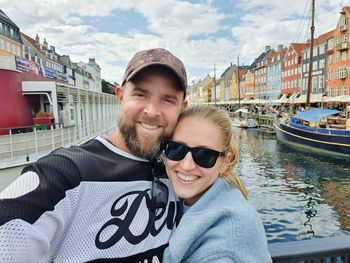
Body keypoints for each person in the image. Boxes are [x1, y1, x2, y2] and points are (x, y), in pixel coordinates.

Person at [0, 48, 188, 262]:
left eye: (168, 100)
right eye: (141, 94)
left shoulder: (183, 170)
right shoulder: (65, 174)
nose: (152, 111)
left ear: (182, 108)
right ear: (120, 97)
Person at [162, 105, 271, 263]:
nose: (186, 165)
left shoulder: (232, 233)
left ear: (225, 163)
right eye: (176, 149)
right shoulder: (176, 195)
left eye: (205, 155)